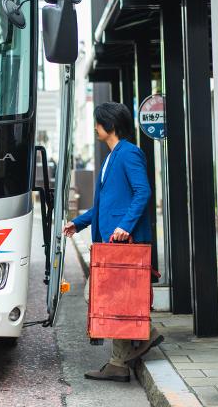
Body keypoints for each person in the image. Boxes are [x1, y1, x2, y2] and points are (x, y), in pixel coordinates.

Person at [63, 102, 164, 383]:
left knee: (103, 297)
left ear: (110, 125)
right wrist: (78, 223)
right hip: (112, 240)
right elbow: (104, 205)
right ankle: (120, 361)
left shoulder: (129, 153)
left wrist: (125, 226)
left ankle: (145, 335)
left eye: (98, 123)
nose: (95, 128)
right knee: (115, 300)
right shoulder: (111, 156)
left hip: (125, 240)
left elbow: (143, 191)